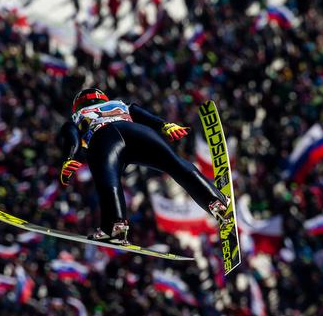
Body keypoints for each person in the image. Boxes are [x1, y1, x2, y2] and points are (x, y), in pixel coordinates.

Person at [58, 88, 229, 243]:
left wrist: (70, 157)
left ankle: (115, 226)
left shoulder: (79, 114)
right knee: (174, 163)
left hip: (104, 139)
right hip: (137, 132)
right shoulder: (118, 103)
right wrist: (164, 125)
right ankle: (215, 201)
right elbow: (140, 113)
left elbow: (71, 133)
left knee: (108, 180)